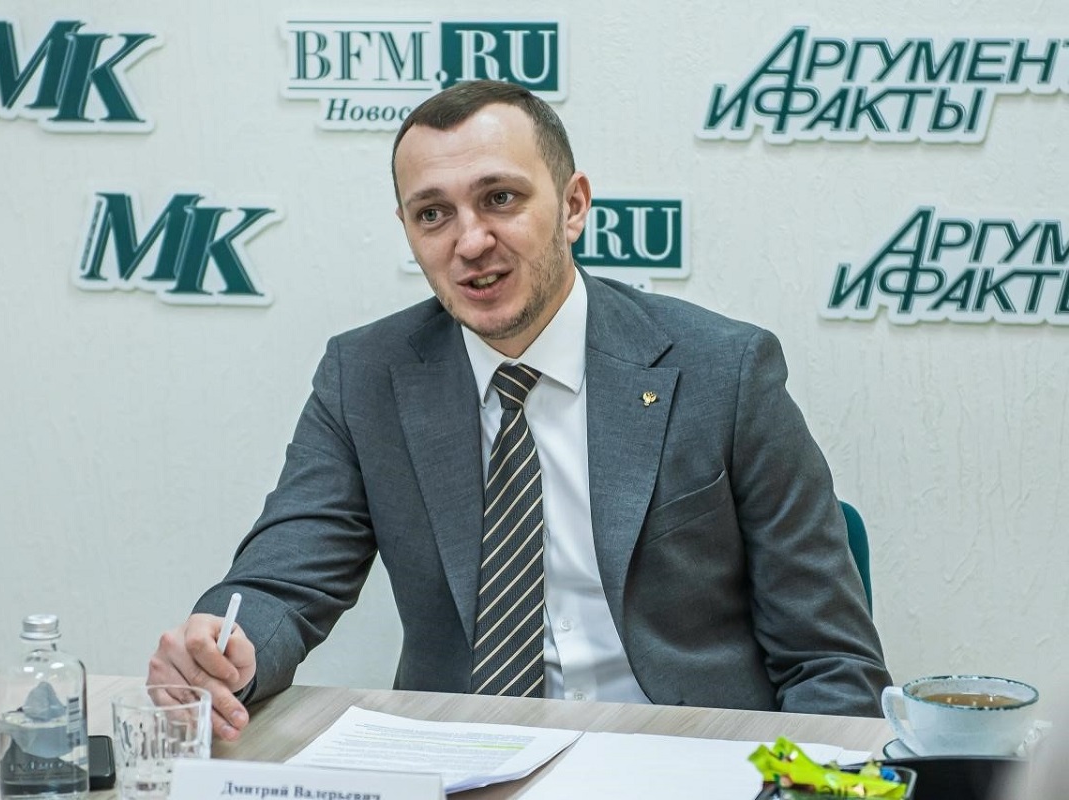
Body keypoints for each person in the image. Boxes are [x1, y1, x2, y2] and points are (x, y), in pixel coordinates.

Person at [148, 79, 891, 742]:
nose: (471, 241)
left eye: (500, 198)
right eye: (433, 213)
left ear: (572, 205)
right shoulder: (365, 377)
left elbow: (831, 663)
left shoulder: (722, 371)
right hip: (465, 762)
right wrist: (222, 648)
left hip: (688, 759)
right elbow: (282, 584)